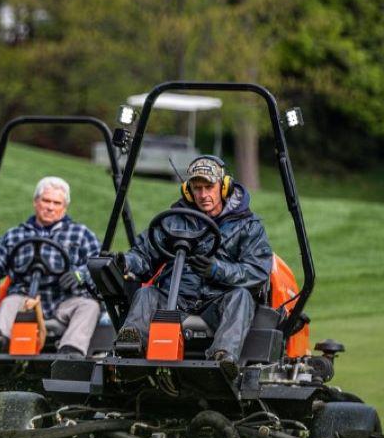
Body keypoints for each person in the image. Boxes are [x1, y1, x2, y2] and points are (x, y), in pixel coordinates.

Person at [113, 155, 271, 378]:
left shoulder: (249, 226)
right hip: (175, 299)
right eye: (197, 188)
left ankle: (223, 357)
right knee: (146, 293)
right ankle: (131, 347)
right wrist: (126, 262)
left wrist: (216, 270)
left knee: (242, 297)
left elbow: (257, 271)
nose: (203, 195)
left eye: (209, 187)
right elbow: (144, 254)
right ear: (188, 190)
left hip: (218, 300)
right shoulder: (173, 221)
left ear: (224, 187)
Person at [0, 176, 102, 356]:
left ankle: (71, 350)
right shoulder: (15, 234)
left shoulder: (81, 234)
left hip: (65, 301)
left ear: (64, 207)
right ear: (36, 202)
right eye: (46, 201)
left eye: (56, 203)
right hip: (25, 300)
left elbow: (96, 266)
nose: (50, 207)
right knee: (9, 301)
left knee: (90, 306)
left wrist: (79, 274)